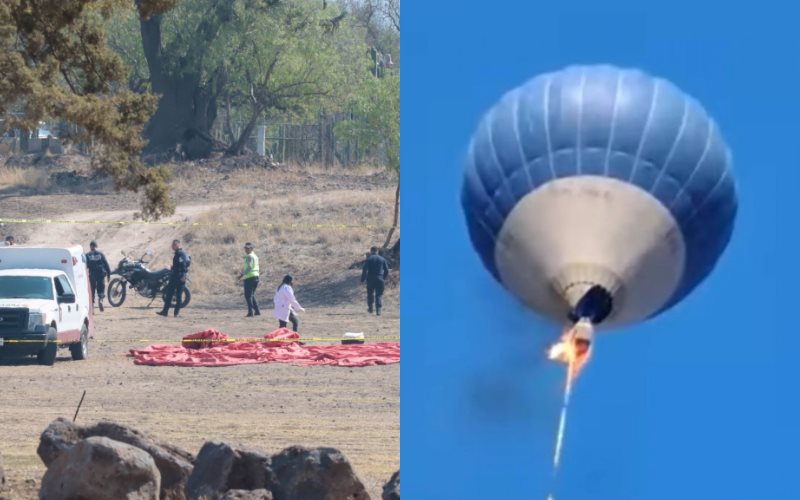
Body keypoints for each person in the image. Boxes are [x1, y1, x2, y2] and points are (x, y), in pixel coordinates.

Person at [157, 239, 191, 318]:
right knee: (169, 295)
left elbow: (183, 266)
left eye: (174, 245)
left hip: (179, 277)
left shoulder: (181, 253)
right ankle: (164, 312)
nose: (173, 247)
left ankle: (176, 313)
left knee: (178, 296)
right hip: (174, 276)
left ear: (178, 245)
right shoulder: (178, 253)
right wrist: (171, 267)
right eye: (172, 245)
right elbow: (177, 265)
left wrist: (183, 276)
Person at [361, 246, 389, 315]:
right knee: (379, 294)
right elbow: (387, 270)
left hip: (370, 279)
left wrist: (362, 279)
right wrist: (383, 278)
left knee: (370, 294)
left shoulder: (368, 259)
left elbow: (364, 270)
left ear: (371, 251)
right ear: (377, 251)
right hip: (380, 278)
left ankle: (370, 308)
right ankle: (378, 310)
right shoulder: (382, 259)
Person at [85, 240, 111, 311]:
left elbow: (85, 266)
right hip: (100, 274)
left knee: (92, 291)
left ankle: (92, 307)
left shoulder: (87, 255)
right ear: (96, 246)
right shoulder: (100, 254)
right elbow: (106, 264)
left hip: (92, 275)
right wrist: (109, 274)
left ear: (90, 246)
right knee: (101, 289)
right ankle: (101, 300)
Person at [237, 242, 260, 317]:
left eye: (248, 248)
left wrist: (242, 274)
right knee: (252, 295)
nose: (246, 250)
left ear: (251, 248)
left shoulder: (249, 256)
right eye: (245, 248)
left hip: (250, 277)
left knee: (248, 296)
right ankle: (257, 311)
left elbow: (249, 267)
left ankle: (251, 312)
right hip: (256, 277)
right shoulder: (255, 256)